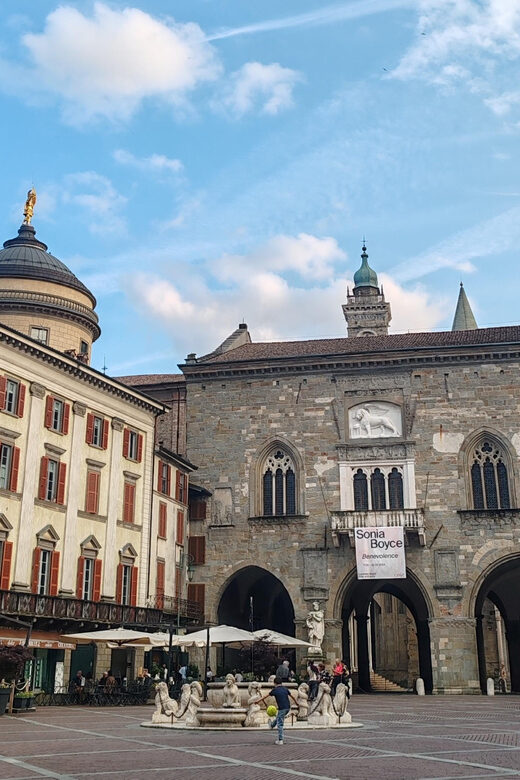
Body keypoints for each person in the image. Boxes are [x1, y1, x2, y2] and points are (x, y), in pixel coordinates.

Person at [259, 676, 298, 745]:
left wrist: (258, 701)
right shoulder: (285, 689)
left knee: (280, 724)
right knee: (279, 717)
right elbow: (293, 697)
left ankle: (280, 740)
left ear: (274, 683)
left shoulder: (275, 690)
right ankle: (272, 725)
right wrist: (297, 703)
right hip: (287, 708)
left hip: (282, 708)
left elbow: (265, 696)